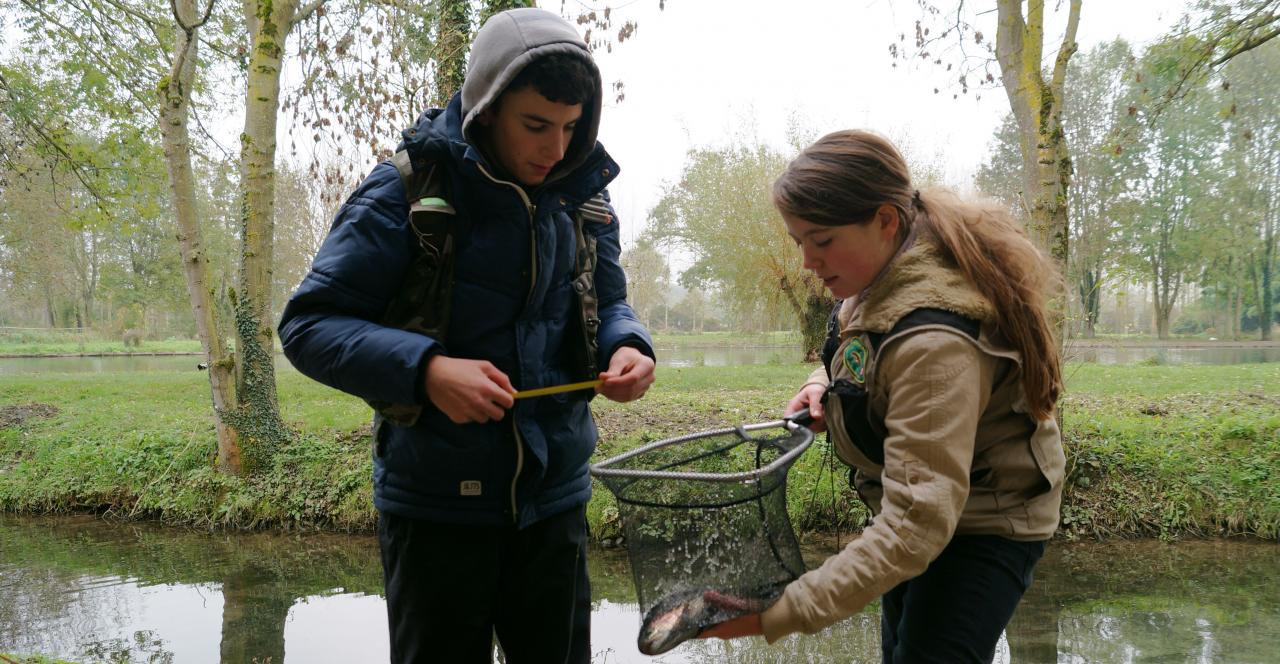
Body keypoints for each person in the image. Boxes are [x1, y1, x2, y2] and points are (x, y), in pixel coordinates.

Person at [278, 8, 655, 663]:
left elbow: (611, 304)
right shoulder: (403, 191)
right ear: (485, 108)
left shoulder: (584, 198)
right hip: (435, 512)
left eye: (570, 128)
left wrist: (628, 347)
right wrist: (425, 370)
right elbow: (308, 326)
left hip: (555, 503)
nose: (556, 150)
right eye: (535, 126)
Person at [700, 129, 1065, 663]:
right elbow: (866, 350)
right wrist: (822, 385)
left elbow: (916, 525)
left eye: (821, 241)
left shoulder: (937, 341)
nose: (807, 262)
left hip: (984, 519)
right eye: (798, 242)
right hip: (918, 503)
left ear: (886, 221)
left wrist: (777, 613)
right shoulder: (876, 278)